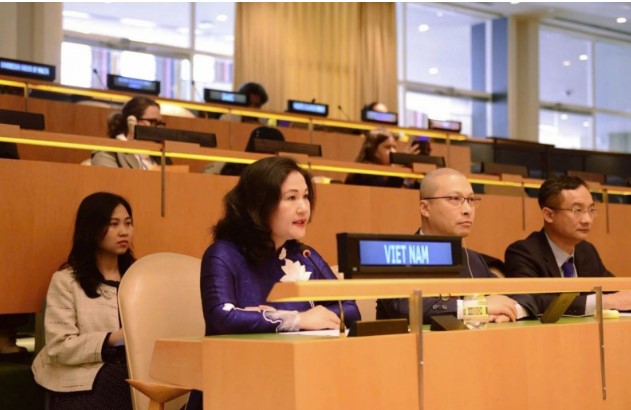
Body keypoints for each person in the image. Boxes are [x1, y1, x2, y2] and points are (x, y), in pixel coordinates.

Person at [188, 156, 361, 409]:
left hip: (296, 382)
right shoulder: (223, 254)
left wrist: (265, 317)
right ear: (260, 204)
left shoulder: (305, 256)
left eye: (305, 197)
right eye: (291, 198)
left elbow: (351, 309)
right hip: (233, 386)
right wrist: (299, 320)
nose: (303, 208)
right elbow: (221, 318)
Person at [377, 168, 538, 323]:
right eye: (454, 199)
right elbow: (403, 308)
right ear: (425, 208)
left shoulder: (473, 260)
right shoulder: (397, 255)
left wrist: (510, 312)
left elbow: (524, 298)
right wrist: (476, 308)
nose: (467, 210)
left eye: (471, 200)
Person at [32, 192, 135, 410]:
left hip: (136, 370)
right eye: (113, 224)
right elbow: (59, 347)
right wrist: (112, 339)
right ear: (91, 229)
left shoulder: (139, 278)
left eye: (128, 223)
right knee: (119, 383)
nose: (124, 231)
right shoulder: (66, 281)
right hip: (84, 379)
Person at [504, 175, 631, 315]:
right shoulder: (523, 253)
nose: (587, 220)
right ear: (549, 215)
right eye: (577, 210)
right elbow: (531, 302)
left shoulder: (586, 251)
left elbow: (614, 290)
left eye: (591, 210)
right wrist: (602, 302)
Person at [91, 96, 168, 169]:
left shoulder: (160, 155)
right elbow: (111, 178)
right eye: (153, 123)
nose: (158, 128)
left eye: (160, 124)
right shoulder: (107, 153)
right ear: (132, 121)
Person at [344, 128, 419, 188]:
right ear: (373, 150)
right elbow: (385, 193)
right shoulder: (364, 172)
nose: (393, 151)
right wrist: (398, 171)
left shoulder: (387, 172)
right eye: (388, 147)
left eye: (394, 147)